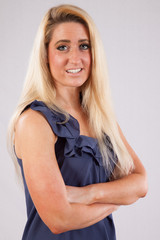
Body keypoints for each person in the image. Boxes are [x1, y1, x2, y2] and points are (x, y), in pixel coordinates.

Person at [7, 4, 148, 240]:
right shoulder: (34, 121)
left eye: (84, 46)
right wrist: (114, 202)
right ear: (45, 56)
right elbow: (59, 219)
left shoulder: (100, 117)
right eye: (62, 47)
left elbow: (140, 183)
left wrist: (88, 195)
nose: (76, 58)